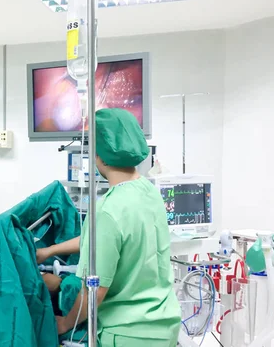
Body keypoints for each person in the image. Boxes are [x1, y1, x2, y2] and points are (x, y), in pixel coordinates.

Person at [37, 108, 181, 347]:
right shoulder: (149, 192)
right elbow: (102, 239)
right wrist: (50, 251)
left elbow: (93, 293)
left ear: (100, 157)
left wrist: (65, 324)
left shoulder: (107, 209)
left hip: (128, 334)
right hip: (164, 326)